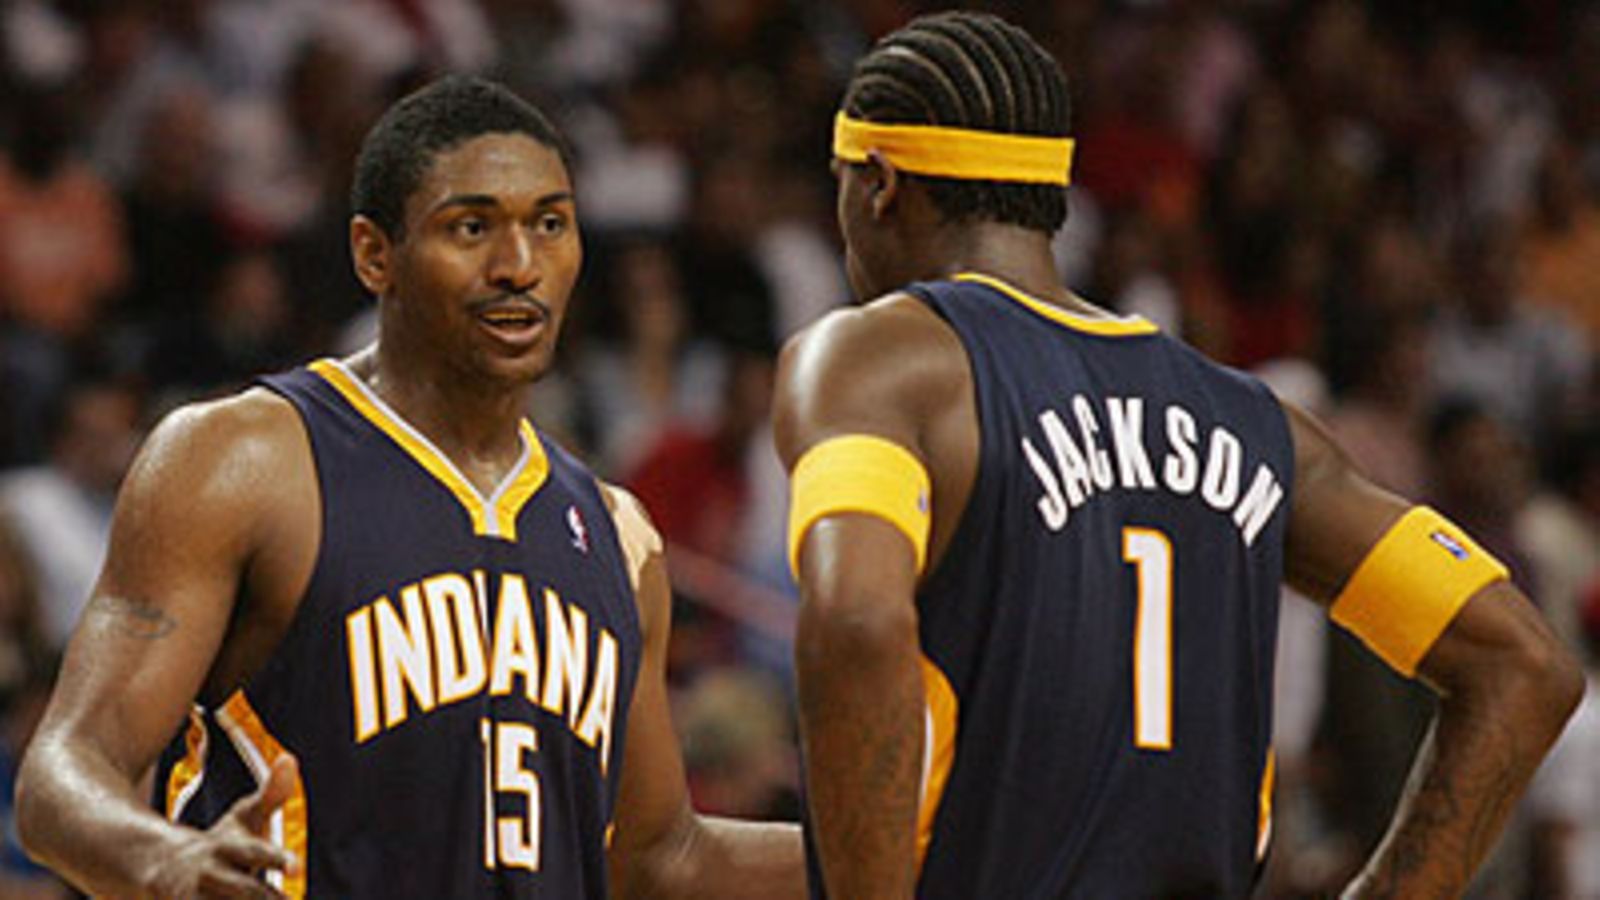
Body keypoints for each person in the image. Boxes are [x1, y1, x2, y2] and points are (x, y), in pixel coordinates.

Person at [774, 11, 1583, 899]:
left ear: (879, 184)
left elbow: (856, 623)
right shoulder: (1257, 424)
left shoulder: (876, 360)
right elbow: (1525, 666)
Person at [14, 75, 803, 899]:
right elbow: (65, 770)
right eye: (472, 227)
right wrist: (160, 860)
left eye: (550, 224)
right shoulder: (246, 459)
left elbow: (660, 857)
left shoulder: (619, 534)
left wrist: (906, 844)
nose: (519, 266)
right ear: (373, 253)